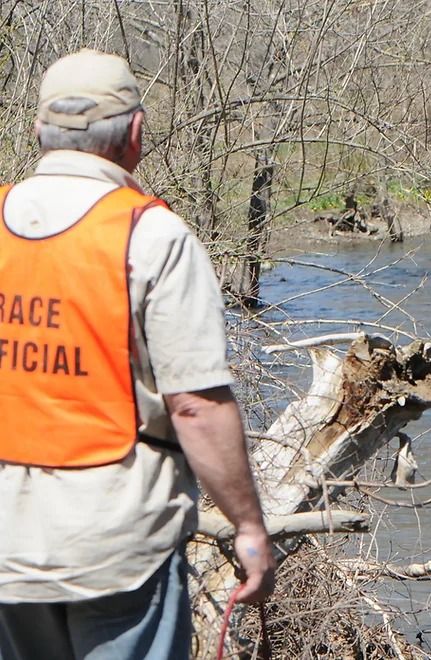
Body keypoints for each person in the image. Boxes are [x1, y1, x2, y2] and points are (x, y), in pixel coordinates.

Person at [0, 49, 275, 658]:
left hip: (8, 551)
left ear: (38, 131)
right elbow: (196, 406)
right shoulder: (153, 235)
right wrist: (249, 527)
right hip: (117, 547)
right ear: (136, 133)